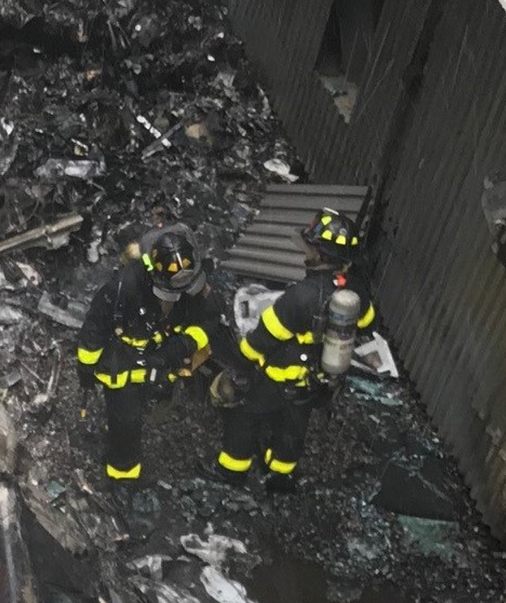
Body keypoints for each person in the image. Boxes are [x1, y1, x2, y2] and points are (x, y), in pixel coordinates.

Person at [217, 209, 375, 487]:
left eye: (311, 248)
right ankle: (280, 478)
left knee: (246, 416)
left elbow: (261, 341)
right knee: (293, 427)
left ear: (321, 254)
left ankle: (231, 471)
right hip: (318, 379)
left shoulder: (300, 296)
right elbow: (366, 322)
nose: (307, 253)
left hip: (279, 376)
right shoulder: (354, 290)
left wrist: (239, 363)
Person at [77, 226, 213, 485]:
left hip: (162, 357)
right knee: (126, 421)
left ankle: (141, 411)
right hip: (124, 365)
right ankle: (123, 477)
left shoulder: (191, 279)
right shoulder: (121, 290)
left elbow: (208, 320)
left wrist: (184, 345)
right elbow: (93, 331)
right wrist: (86, 370)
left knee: (152, 402)